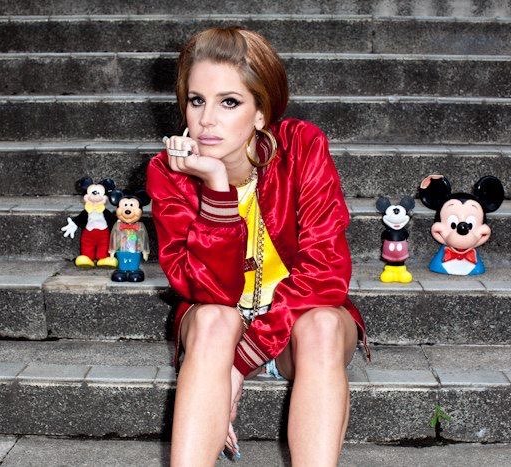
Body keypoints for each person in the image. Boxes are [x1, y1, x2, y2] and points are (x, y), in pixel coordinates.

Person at [146, 27, 368, 466]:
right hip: (216, 329)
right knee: (213, 319)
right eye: (197, 100)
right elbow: (204, 289)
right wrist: (216, 188)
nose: (207, 119)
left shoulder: (302, 147)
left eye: (229, 102)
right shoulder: (170, 170)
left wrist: (241, 362)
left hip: (297, 325)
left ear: (262, 112)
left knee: (323, 325)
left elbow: (326, 273)